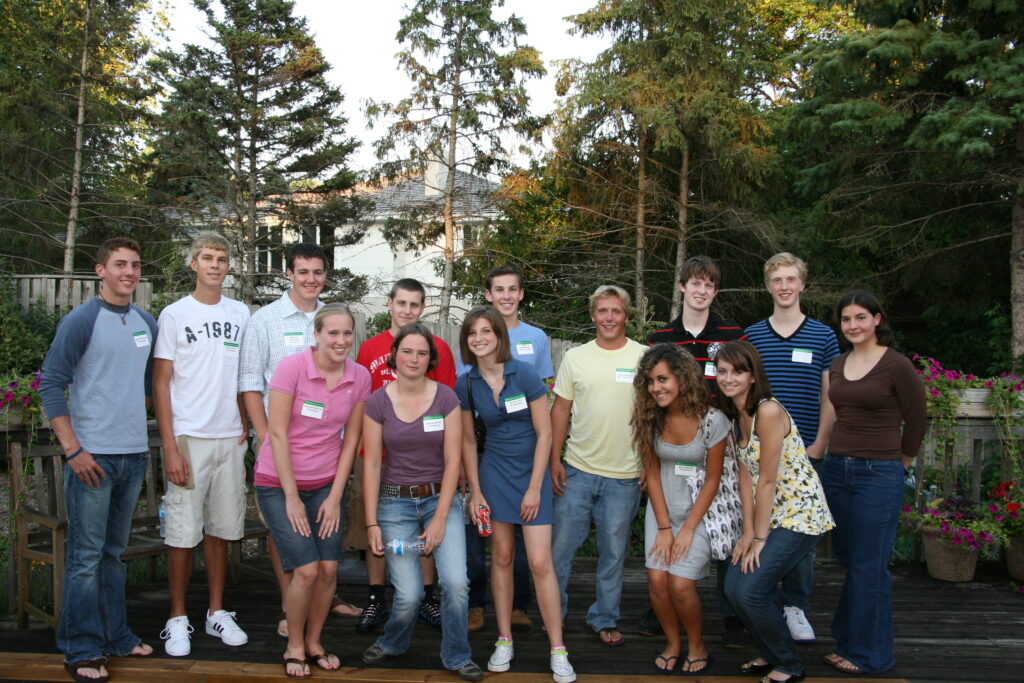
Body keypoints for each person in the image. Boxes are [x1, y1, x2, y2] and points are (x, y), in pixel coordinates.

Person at [40, 237, 158, 683]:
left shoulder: (146, 321)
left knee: (113, 554)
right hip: (92, 458)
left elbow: (149, 384)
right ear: (100, 270)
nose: (129, 272)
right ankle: (81, 648)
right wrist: (73, 448)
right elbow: (51, 383)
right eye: (120, 264)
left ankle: (117, 635)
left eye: (135, 265)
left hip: (132, 455)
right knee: (86, 557)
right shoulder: (81, 320)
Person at [239, 243, 359, 638]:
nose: (311, 279)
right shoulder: (266, 320)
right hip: (282, 450)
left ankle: (317, 603)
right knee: (288, 533)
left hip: (326, 452)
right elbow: (250, 382)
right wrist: (263, 436)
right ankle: (289, 605)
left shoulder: (333, 320)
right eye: (303, 271)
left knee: (321, 547)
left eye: (318, 272)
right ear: (288, 273)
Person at [456, 306, 575, 682]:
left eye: (486, 331)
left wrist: (535, 487)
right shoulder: (467, 383)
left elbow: (545, 433)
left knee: (540, 562)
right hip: (493, 474)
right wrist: (476, 491)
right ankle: (504, 638)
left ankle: (558, 648)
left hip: (532, 473)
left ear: (498, 336)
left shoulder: (523, 373)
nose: (479, 338)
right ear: (467, 340)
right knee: (502, 557)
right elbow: (466, 440)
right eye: (472, 333)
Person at [360, 323, 483, 682]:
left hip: (438, 500)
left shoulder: (447, 398)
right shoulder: (377, 401)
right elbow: (370, 463)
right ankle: (395, 641)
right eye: (407, 351)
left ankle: (457, 654)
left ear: (431, 359)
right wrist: (370, 522)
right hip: (393, 505)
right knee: (410, 593)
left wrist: (442, 518)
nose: (414, 358)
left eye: (422, 353)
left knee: (456, 582)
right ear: (395, 355)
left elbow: (453, 462)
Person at [254, 303, 370, 678]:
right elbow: (276, 433)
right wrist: (290, 497)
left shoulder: (359, 376)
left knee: (329, 567)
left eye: (347, 333)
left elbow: (351, 440)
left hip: (325, 483)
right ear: (316, 335)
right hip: (278, 483)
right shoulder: (293, 368)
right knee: (305, 570)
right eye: (332, 333)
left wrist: (336, 497)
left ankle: (315, 641)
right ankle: (294, 645)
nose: (341, 340)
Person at [153, 232, 251, 657]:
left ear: (229, 265)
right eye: (207, 258)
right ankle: (177, 618)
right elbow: (160, 382)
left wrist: (246, 421)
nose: (215, 265)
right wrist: (170, 446)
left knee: (221, 529)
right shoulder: (174, 314)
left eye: (222, 258)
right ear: (193, 264)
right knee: (181, 532)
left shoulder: (242, 313)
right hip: (188, 438)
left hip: (230, 436)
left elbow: (247, 375)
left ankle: (216, 611)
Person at [819, 290, 926, 675]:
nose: (853, 326)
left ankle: (872, 655)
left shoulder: (897, 366)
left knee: (870, 566)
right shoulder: (838, 362)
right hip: (837, 470)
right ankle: (848, 642)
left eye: (861, 317)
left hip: (877, 473)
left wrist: (901, 463)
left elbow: (917, 419)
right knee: (850, 560)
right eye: (846, 319)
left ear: (877, 319)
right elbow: (833, 411)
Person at [716, 341, 835, 683]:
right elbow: (745, 480)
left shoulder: (767, 411)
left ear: (752, 376)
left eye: (737, 371)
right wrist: (745, 531)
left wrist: (758, 538)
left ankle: (789, 663)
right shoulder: (734, 417)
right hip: (770, 514)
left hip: (800, 514)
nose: (728, 378)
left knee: (750, 590)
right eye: (722, 371)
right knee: (734, 588)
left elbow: (766, 480)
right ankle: (770, 652)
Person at [646, 255, 747, 645]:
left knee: (724, 526)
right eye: (695, 283)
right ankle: (662, 604)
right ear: (683, 287)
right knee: (666, 530)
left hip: (719, 440)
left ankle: (731, 612)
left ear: (714, 291)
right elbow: (648, 395)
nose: (701, 290)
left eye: (709, 284)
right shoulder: (659, 339)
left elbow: (741, 382)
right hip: (670, 447)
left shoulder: (733, 333)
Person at [743, 253, 839, 643]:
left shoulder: (822, 335)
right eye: (777, 280)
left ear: (802, 285)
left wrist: (819, 444)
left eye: (791, 279)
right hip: (760, 455)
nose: (784, 286)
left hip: (802, 456)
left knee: (801, 535)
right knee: (760, 527)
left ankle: (795, 606)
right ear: (768, 286)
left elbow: (828, 397)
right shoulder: (752, 336)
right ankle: (759, 602)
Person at [351, 278, 456, 633]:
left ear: (422, 308)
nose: (407, 310)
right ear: (389, 304)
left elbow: (447, 404)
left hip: (425, 457)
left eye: (414, 304)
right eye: (401, 303)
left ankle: (426, 597)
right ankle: (375, 598)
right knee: (377, 529)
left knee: (424, 530)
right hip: (375, 452)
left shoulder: (437, 347)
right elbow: (362, 400)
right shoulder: (369, 349)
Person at [456, 265, 554, 632]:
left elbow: (546, 405)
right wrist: (471, 475)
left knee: (531, 550)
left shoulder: (535, 342)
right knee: (495, 546)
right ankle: (486, 609)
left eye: (513, 289)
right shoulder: (468, 375)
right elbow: (465, 428)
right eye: (499, 289)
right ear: (488, 295)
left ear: (521, 294)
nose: (507, 296)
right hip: (490, 455)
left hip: (530, 457)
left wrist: (543, 470)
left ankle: (521, 606)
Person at [550, 285, 646, 647]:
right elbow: (560, 410)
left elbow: (652, 416)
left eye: (616, 311)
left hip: (625, 476)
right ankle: (553, 612)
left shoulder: (643, 356)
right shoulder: (576, 357)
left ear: (626, 316)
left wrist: (649, 465)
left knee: (613, 553)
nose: (609, 318)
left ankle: (604, 617)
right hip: (577, 470)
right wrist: (553, 459)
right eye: (603, 311)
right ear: (593, 315)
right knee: (561, 549)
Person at [631, 344, 731, 674]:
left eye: (662, 379)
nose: (655, 388)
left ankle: (697, 644)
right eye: (650, 381)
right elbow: (653, 475)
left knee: (680, 585)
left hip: (699, 513)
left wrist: (687, 529)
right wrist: (663, 528)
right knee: (658, 582)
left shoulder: (712, 420)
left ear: (683, 378)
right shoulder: (651, 417)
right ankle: (673, 643)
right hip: (662, 510)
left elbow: (713, 480)